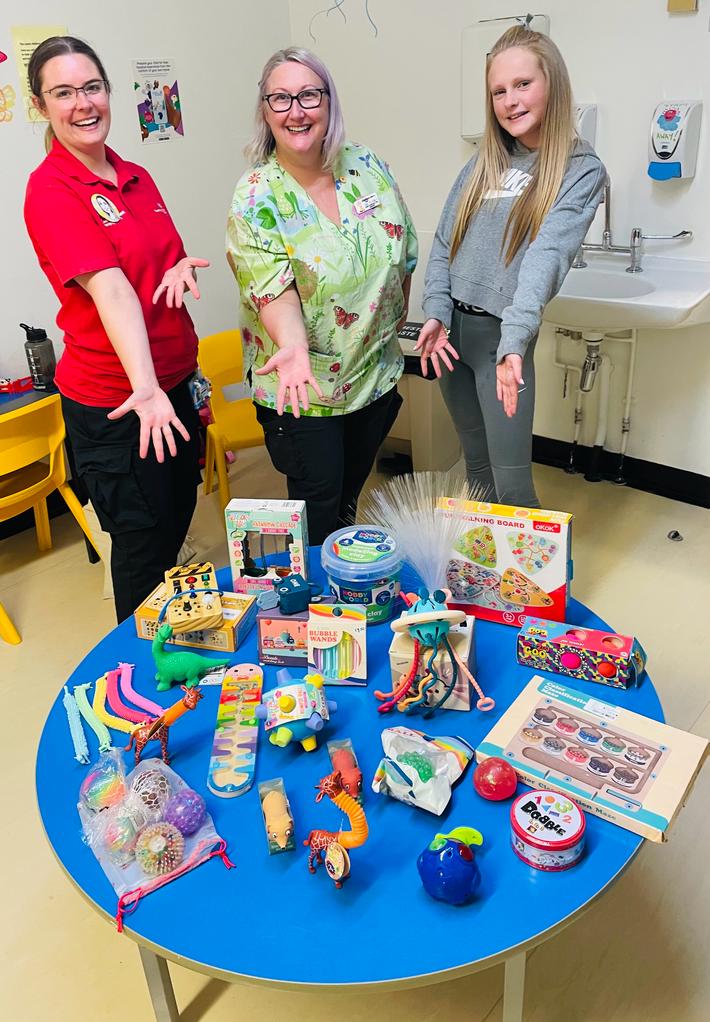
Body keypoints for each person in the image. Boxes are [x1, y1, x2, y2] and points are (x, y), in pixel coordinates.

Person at [24, 36, 209, 622]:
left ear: (108, 92)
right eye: (63, 92)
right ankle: (140, 684)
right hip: (122, 401)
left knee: (177, 520)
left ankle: (175, 645)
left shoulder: (135, 175)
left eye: (92, 87)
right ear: (41, 106)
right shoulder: (52, 190)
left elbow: (161, 256)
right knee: (141, 548)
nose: (82, 103)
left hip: (173, 389)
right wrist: (148, 390)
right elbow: (110, 287)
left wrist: (178, 268)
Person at [226, 47, 417, 544]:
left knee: (350, 498)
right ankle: (317, 610)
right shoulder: (256, 195)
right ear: (265, 112)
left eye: (309, 94)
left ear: (329, 102)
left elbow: (403, 246)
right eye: (280, 98)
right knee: (318, 508)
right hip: (304, 390)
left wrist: (395, 319)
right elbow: (273, 292)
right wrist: (292, 344)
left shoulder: (366, 165)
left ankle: (345, 591)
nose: (296, 110)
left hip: (372, 376)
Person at [416, 25, 605, 508]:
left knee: (512, 481)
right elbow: (443, 241)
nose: (510, 101)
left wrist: (515, 341)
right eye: (499, 90)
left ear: (553, 84)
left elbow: (547, 257)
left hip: (502, 346)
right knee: (475, 469)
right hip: (450, 340)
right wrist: (435, 310)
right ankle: (483, 579)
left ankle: (535, 584)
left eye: (523, 84)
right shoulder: (485, 160)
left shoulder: (579, 170)